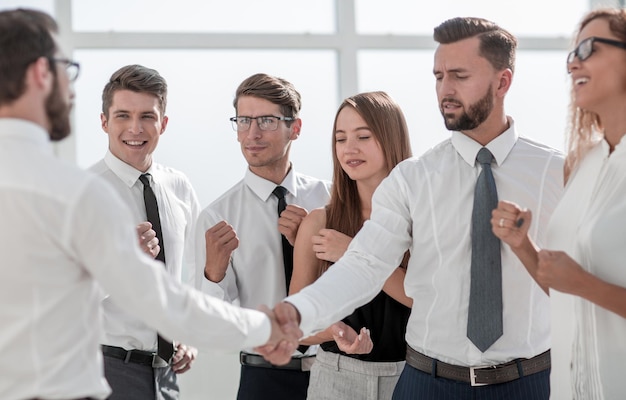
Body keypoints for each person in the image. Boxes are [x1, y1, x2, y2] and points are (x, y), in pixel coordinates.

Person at [0, 8, 300, 400]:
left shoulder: (171, 187)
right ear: (42, 72)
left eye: (147, 116)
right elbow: (163, 299)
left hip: (160, 374)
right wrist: (266, 329)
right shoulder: (78, 193)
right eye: (67, 70)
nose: (70, 91)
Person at [264, 17, 565, 399]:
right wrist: (295, 314)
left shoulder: (556, 173)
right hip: (426, 383)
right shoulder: (412, 178)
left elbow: (580, 281)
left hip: (531, 382)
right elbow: (363, 265)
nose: (445, 89)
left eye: (459, 75)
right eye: (439, 76)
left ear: (502, 82)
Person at [491, 8, 626, 399]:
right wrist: (523, 247)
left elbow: (579, 284)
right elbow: (565, 288)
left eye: (589, 48)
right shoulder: (582, 164)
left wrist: (583, 283)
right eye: (571, 54)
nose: (574, 63)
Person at [194, 72, 331, 400]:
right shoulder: (216, 218)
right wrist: (213, 274)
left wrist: (310, 247)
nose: (252, 134)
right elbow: (211, 327)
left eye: (267, 121)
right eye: (243, 121)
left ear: (294, 128)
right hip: (262, 379)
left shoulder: (330, 200)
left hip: (334, 371)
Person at [289, 91, 413, 400]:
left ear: (391, 138)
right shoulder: (320, 224)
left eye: (363, 136)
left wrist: (356, 253)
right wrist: (334, 331)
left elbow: (426, 301)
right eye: (340, 139)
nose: (349, 149)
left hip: (413, 376)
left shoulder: (423, 219)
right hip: (336, 379)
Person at [89, 64, 200, 400]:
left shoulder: (178, 186)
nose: (135, 128)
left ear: (162, 123)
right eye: (122, 115)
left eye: (147, 116)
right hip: (105, 369)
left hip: (166, 375)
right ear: (104, 122)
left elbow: (194, 270)